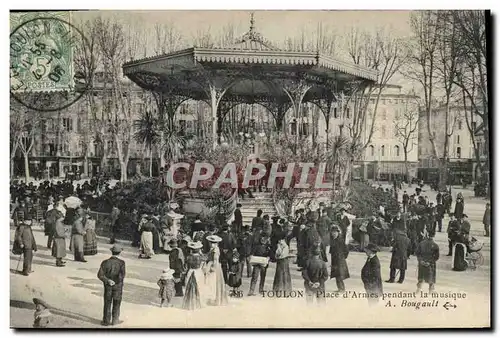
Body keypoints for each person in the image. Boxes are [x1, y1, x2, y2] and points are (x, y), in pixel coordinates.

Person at [97, 244, 126, 326]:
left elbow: (100, 275)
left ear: (112, 252)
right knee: (117, 303)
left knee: (107, 303)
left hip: (108, 286)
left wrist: (108, 280)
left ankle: (106, 321)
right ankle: (115, 320)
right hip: (118, 286)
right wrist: (116, 281)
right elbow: (122, 275)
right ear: (119, 252)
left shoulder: (105, 262)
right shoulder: (122, 263)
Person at [205, 235, 228, 306]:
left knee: (214, 282)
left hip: (214, 266)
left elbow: (215, 260)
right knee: (212, 282)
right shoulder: (213, 249)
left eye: (213, 243)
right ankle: (214, 298)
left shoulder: (215, 250)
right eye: (211, 242)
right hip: (212, 264)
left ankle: (216, 299)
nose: (211, 244)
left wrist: (212, 268)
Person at [182, 241, 206, 310]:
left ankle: (189, 303)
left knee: (188, 286)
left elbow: (186, 266)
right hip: (198, 272)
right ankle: (199, 303)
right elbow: (203, 265)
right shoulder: (201, 257)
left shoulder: (188, 257)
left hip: (191, 271)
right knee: (200, 286)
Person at [329, 225, 350, 292]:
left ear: (338, 233)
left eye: (335, 232)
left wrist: (343, 257)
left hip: (340, 260)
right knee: (337, 275)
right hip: (335, 260)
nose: (334, 234)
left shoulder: (341, 240)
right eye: (333, 232)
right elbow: (331, 251)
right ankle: (340, 288)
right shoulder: (332, 240)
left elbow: (346, 250)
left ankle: (342, 289)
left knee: (339, 275)